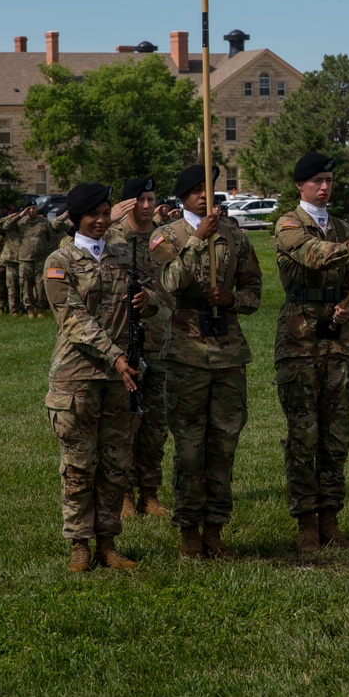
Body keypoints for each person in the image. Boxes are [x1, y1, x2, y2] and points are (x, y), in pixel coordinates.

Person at [43, 182, 163, 572]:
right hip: (78, 378)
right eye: (92, 214)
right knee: (79, 465)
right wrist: (115, 357)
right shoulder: (59, 261)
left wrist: (149, 303)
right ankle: (79, 544)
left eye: (105, 212)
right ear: (77, 219)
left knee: (115, 465)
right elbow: (74, 318)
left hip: (121, 380)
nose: (100, 220)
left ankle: (108, 545)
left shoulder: (124, 255)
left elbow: (154, 296)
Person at [273, 153, 349, 553]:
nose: (325, 187)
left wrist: (348, 308)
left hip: (338, 341)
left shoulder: (342, 227)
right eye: (317, 181)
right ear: (300, 186)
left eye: (329, 180)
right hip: (299, 340)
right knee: (304, 435)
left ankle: (330, 520)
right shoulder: (289, 224)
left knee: (336, 434)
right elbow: (312, 255)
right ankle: (306, 523)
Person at [151, 165, 261, 560]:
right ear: (183, 198)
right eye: (196, 191)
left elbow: (253, 289)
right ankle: (189, 533)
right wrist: (198, 240)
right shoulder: (168, 236)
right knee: (190, 448)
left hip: (229, 352)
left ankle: (215, 528)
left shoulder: (235, 235)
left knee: (223, 445)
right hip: (187, 353)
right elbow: (169, 285)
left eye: (208, 190)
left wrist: (233, 300)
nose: (204, 197)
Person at [105, 176, 175, 521]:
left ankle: (150, 493)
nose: (146, 207)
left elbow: (175, 287)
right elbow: (71, 248)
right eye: (139, 201)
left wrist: (153, 299)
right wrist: (111, 221)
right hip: (123, 343)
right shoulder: (110, 239)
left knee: (155, 424)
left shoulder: (165, 239)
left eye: (150, 199)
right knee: (124, 423)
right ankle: (123, 496)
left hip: (159, 340)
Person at [16, 203, 56, 318]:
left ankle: (40, 309)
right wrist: (20, 215)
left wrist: (50, 254)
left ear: (37, 209)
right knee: (26, 284)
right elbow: (6, 226)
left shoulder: (44, 222)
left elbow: (52, 238)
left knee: (40, 284)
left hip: (40, 258)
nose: (32, 210)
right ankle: (29, 308)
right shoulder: (20, 222)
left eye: (34, 208)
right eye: (29, 208)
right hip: (25, 258)